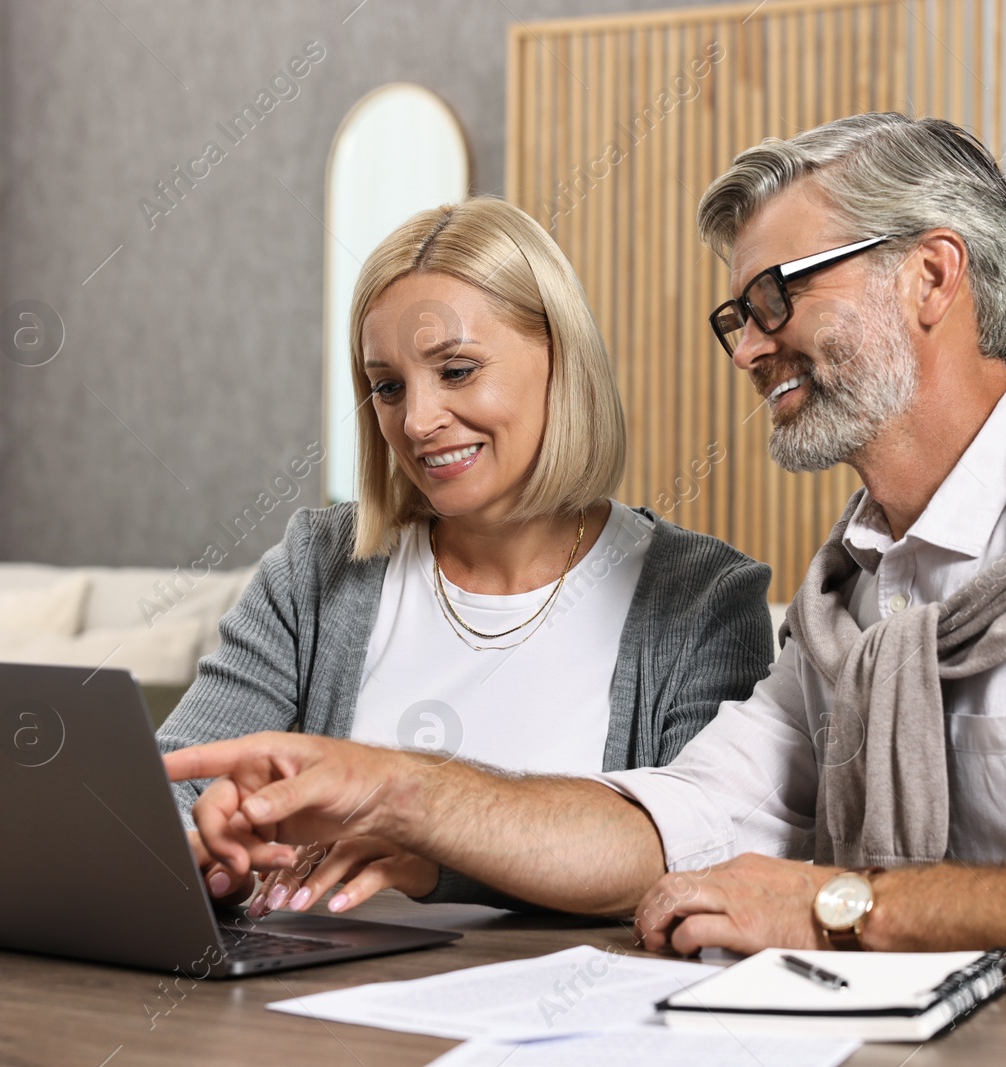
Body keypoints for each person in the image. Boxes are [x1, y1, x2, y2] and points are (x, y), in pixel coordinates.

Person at [165, 114, 1006, 984]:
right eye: (738, 316)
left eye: (776, 297)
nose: (748, 349)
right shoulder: (856, 589)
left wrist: (844, 906)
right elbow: (687, 809)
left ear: (931, 276)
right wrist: (406, 793)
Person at [156, 197, 773, 915]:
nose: (417, 421)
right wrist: (205, 847)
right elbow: (169, 790)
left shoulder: (703, 598)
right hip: (318, 1017)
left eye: (456, 370)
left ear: (560, 360)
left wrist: (431, 855)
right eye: (388, 386)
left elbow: (704, 858)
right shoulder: (318, 566)